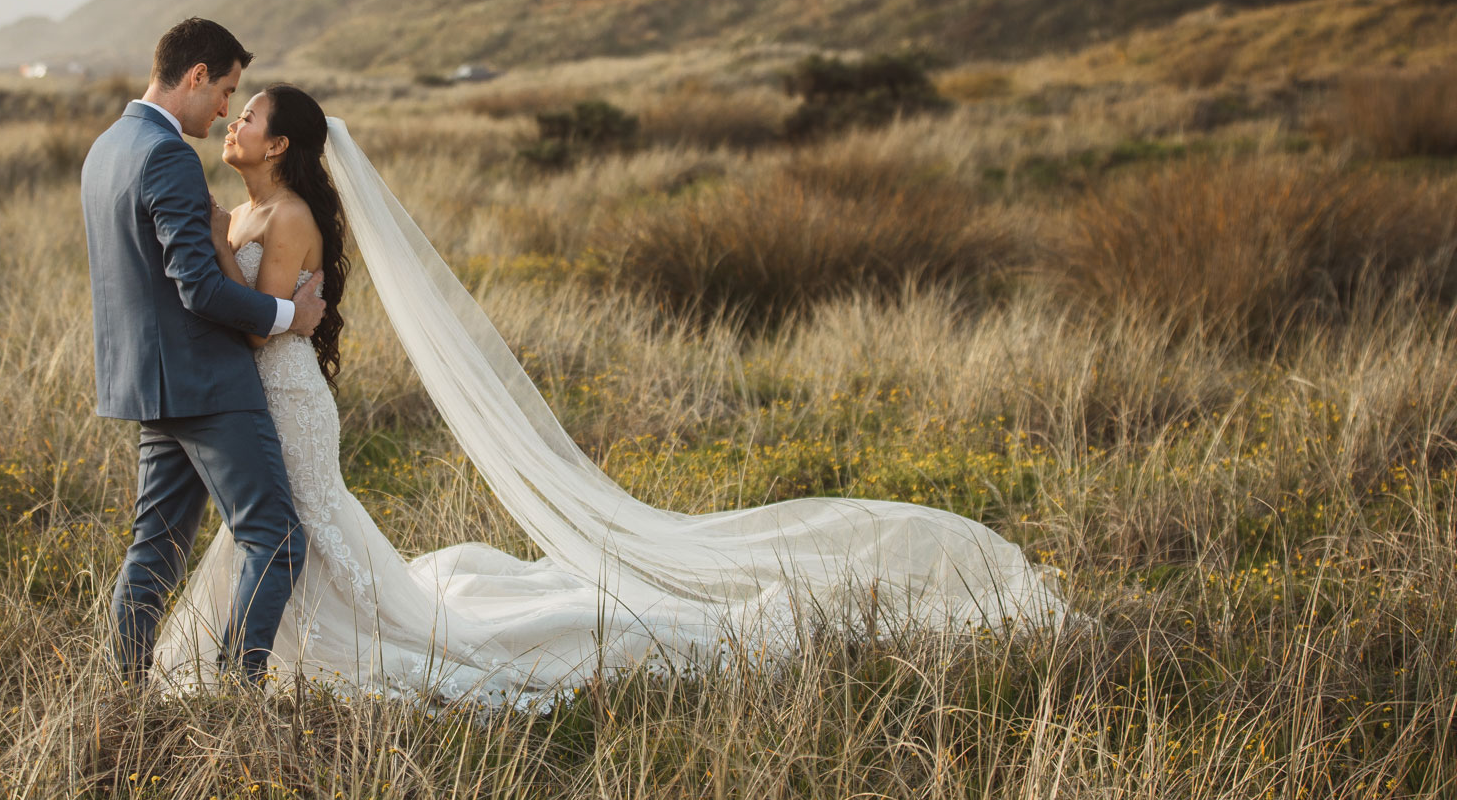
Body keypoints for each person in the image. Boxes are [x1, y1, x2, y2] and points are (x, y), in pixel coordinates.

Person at [150, 83, 1067, 705]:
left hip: (287, 397)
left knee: (300, 521)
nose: (229, 126)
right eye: (232, 112)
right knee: (286, 526)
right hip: (263, 391)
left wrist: (272, 315)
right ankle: (264, 657)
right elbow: (252, 305)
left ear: (277, 143)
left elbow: (247, 315)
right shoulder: (240, 211)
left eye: (246, 118)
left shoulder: (290, 216)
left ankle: (270, 660)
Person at [81, 17, 325, 684]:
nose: (223, 110)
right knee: (274, 540)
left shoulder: (107, 147)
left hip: (149, 383)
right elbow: (198, 289)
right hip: (208, 382)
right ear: (195, 77)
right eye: (224, 92)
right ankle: (238, 691)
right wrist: (288, 314)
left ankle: (123, 688)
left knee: (154, 547)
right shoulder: (166, 155)